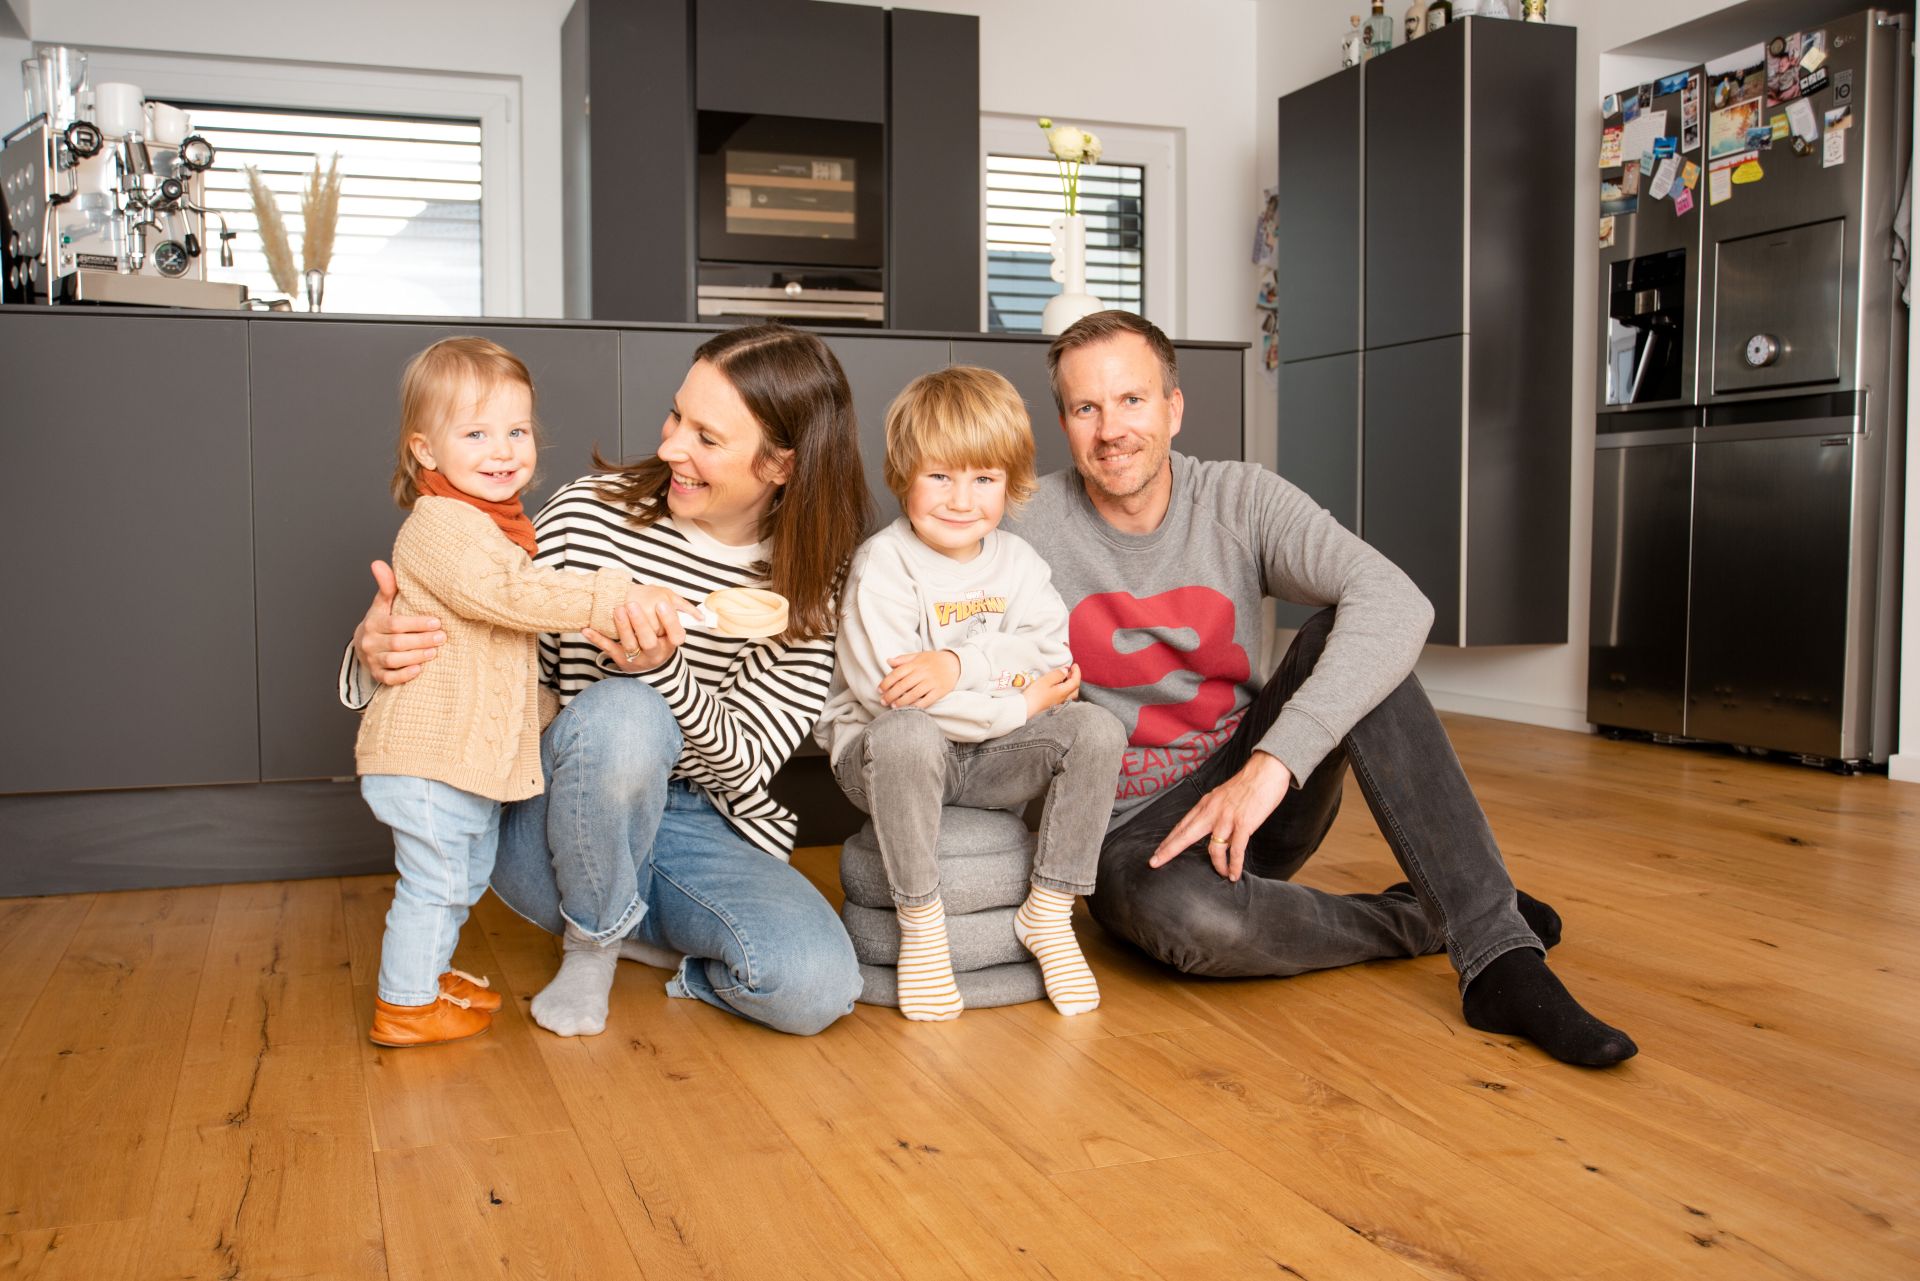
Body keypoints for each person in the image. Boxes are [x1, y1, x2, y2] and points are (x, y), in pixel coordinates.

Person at [1007, 310, 1636, 1067]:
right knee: (1193, 926)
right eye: (1087, 408)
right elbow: (914, 571)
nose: (1112, 429)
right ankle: (1430, 916)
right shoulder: (1025, 525)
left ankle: (1499, 955)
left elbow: (1399, 600)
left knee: (1362, 634)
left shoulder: (1240, 499)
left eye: (1133, 400)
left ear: (1175, 407)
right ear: (1064, 423)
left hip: (1258, 792)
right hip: (1129, 840)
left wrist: (1272, 764)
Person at [344, 323, 870, 1037]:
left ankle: (642, 939)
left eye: (706, 438)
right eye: (676, 414)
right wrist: (373, 650)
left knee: (815, 987)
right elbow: (488, 658)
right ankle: (592, 945)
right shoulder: (588, 513)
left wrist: (668, 672)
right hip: (550, 811)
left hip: (695, 822)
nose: (669, 446)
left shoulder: (812, 586)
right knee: (625, 711)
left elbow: (744, 764)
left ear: (780, 464)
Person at [356, 336, 661, 1047]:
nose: (504, 450)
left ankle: (423, 980)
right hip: (430, 760)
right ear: (425, 451)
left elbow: (501, 668)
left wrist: (553, 712)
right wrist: (609, 597)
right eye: (476, 433)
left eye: (517, 431)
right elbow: (508, 595)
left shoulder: (492, 527)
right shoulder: (444, 526)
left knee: (455, 881)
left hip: (457, 763)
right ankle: (404, 1002)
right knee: (436, 885)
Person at [818, 367, 1126, 1021]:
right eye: (940, 476)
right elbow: (893, 699)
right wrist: (1016, 700)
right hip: (884, 758)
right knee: (908, 729)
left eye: (983, 478)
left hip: (988, 758)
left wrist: (958, 663)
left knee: (1098, 728)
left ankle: (1048, 912)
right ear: (904, 474)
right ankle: (922, 923)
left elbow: (1051, 657)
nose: (962, 499)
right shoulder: (884, 565)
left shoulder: (1018, 562)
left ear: (1008, 483)